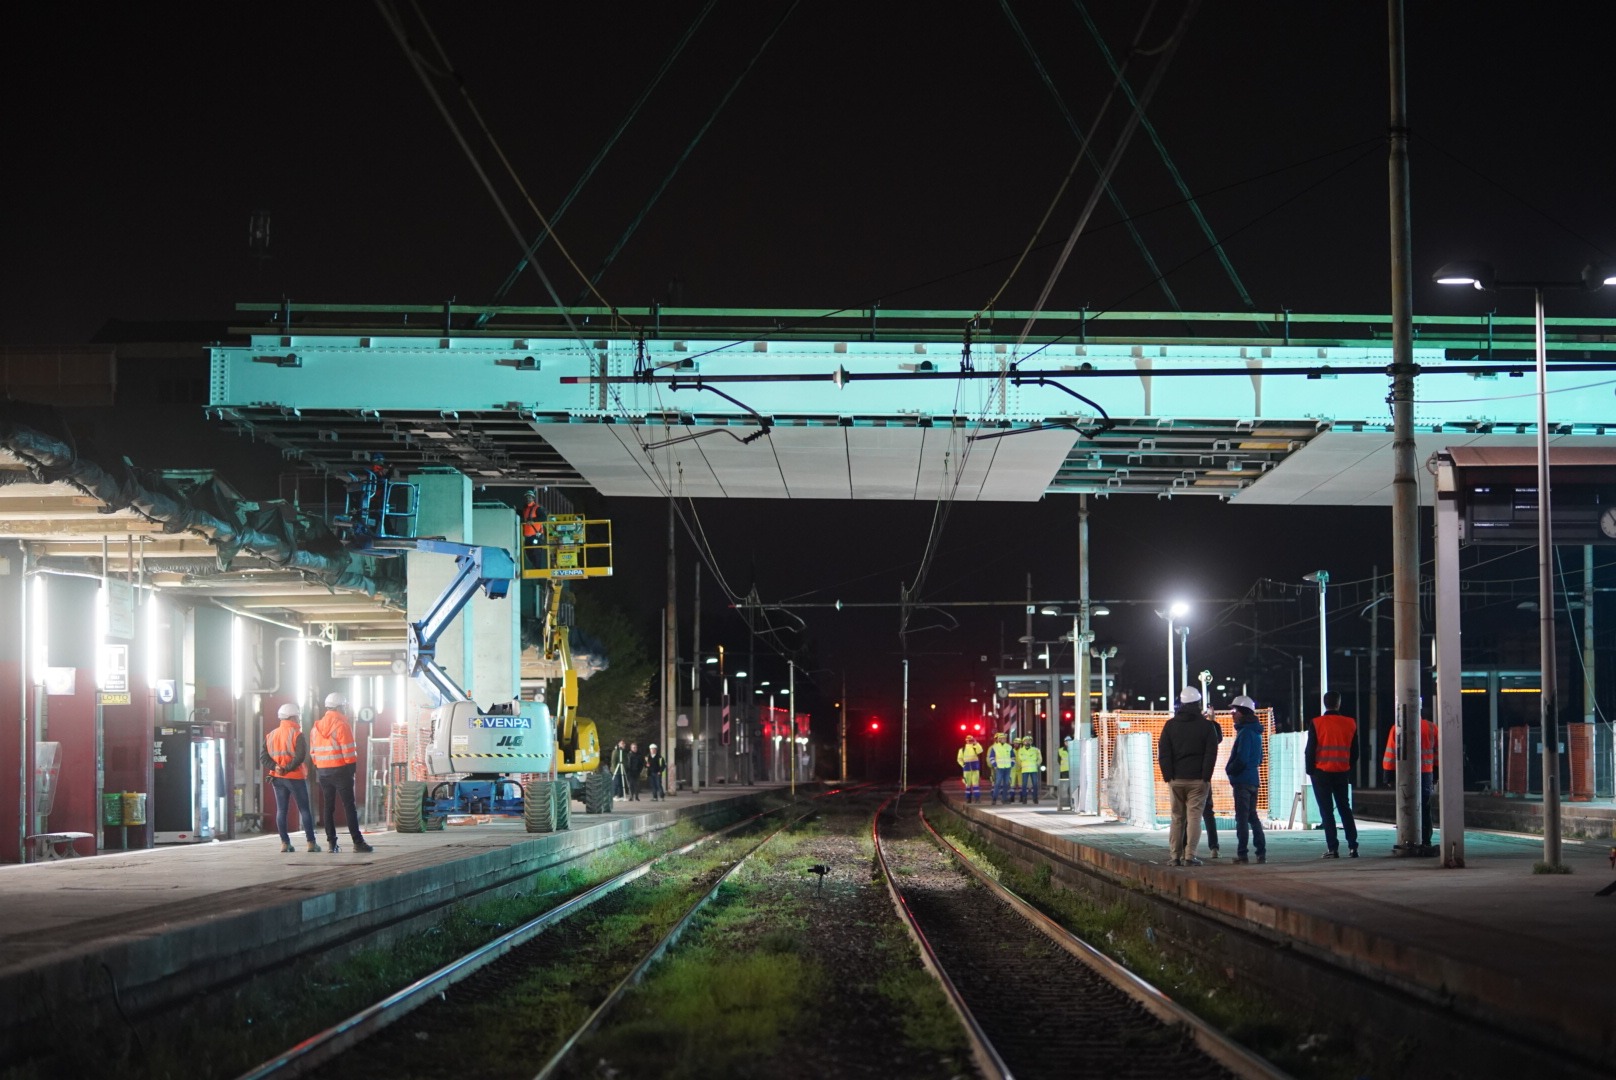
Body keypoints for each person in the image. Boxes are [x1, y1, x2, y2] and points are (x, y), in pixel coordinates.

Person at [1158, 687, 1219, 866]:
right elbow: (1211, 753)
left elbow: (1163, 752)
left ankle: (1174, 856)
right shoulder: (1207, 726)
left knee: (1177, 818)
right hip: (1198, 780)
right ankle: (1189, 856)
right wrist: (1205, 776)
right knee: (1194, 818)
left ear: (1181, 704)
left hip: (1176, 779)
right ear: (1198, 703)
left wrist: (1168, 776)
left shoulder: (1170, 725)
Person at [310, 692, 374, 853]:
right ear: (339, 707)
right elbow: (349, 752)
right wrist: (351, 771)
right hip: (340, 771)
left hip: (323, 772)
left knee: (328, 808)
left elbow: (313, 753)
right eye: (344, 707)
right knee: (349, 806)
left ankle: (332, 844)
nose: (346, 709)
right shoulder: (342, 725)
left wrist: (320, 766)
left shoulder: (315, 728)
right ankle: (358, 842)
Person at [1306, 690, 1360, 858]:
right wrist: (1346, 766)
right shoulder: (1350, 723)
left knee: (1327, 811)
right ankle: (1353, 846)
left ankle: (1333, 849)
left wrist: (1311, 771)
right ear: (1339, 703)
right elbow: (1355, 751)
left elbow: (1310, 750)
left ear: (1324, 703)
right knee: (1345, 808)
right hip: (1342, 772)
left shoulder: (1316, 723)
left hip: (1321, 773)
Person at [263, 703, 320, 853]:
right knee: (304, 810)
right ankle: (311, 843)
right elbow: (301, 756)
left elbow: (263, 758)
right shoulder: (296, 734)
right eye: (298, 717)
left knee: (281, 810)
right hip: (294, 777)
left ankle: (284, 843)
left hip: (277, 777)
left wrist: (276, 767)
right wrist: (287, 768)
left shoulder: (271, 735)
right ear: (293, 717)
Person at [1383, 712, 1437, 855]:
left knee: (1405, 804)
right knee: (1424, 806)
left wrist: (1388, 774)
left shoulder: (1397, 727)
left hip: (1404, 772)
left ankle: (1407, 837)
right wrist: (1436, 772)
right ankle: (1426, 840)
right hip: (1426, 772)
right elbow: (1437, 752)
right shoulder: (1431, 727)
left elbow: (1391, 752)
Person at [1225, 696, 1267, 864]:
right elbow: (1260, 758)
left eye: (1234, 711)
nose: (1232, 715)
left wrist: (1230, 770)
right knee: (1252, 816)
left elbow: (1241, 759)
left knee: (1242, 818)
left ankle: (1242, 854)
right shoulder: (1256, 732)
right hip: (1253, 780)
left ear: (1243, 713)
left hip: (1242, 781)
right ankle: (1261, 852)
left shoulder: (1246, 732)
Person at [1202, 709, 1225, 857]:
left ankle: (1184, 850)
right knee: (1208, 812)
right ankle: (1214, 848)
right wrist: (1212, 721)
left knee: (1184, 814)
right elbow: (1218, 738)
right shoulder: (1208, 730)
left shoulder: (1179, 727)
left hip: (1183, 776)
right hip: (1203, 777)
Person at [987, 731, 1014, 805]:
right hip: (999, 768)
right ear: (999, 739)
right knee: (997, 784)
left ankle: (1004, 799)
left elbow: (1012, 756)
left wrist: (1012, 763)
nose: (1003, 739)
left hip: (1007, 768)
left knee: (1006, 784)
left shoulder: (1009, 747)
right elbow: (991, 757)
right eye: (1002, 738)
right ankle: (994, 799)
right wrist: (994, 765)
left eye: (1004, 738)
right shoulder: (995, 747)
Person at [520, 490, 545, 568]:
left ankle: (537, 568)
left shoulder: (537, 508)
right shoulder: (525, 509)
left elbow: (543, 517)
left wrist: (533, 521)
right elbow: (523, 515)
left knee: (536, 552)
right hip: (528, 536)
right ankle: (535, 566)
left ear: (533, 498)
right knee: (528, 552)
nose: (528, 499)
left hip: (536, 535)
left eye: (530, 497)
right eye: (527, 497)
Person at [1017, 736, 1043, 804]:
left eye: (1029, 740)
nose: (1027, 742)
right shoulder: (1020, 750)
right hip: (1024, 770)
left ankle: (1035, 798)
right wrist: (1021, 766)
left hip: (1033, 769)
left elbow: (1040, 758)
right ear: (1023, 742)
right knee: (1024, 785)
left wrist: (1037, 764)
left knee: (1035, 785)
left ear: (1031, 742)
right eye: (1026, 740)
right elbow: (1019, 760)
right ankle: (1024, 799)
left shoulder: (1036, 750)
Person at [957, 734, 982, 803]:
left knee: (975, 785)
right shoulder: (962, 749)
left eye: (971, 740)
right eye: (968, 740)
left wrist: (976, 743)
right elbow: (959, 759)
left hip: (975, 769)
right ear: (966, 741)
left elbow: (980, 750)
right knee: (967, 785)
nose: (970, 741)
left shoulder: (975, 747)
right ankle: (968, 798)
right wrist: (963, 765)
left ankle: (977, 798)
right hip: (967, 770)